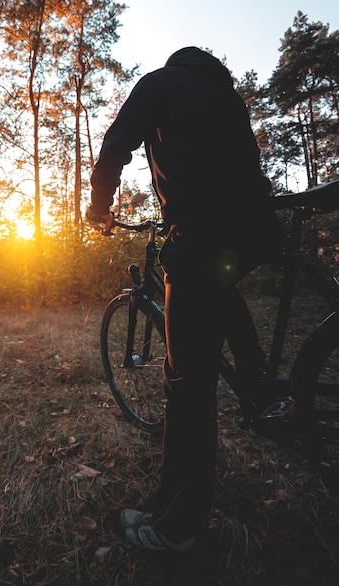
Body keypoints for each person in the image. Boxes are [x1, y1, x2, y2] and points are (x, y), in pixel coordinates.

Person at [86, 47, 284, 557]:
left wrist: (100, 205)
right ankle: (259, 386)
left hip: (203, 232)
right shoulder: (227, 95)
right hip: (254, 231)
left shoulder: (161, 82)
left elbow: (117, 142)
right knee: (219, 286)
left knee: (189, 386)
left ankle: (178, 528)